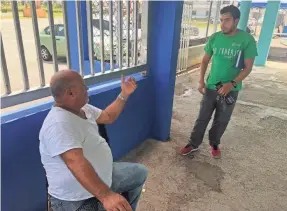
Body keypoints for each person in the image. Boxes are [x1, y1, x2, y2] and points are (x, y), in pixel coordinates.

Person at [39, 70, 148, 211]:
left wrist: (124, 94)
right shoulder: (59, 124)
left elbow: (108, 116)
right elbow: (75, 162)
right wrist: (107, 196)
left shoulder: (82, 108)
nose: (87, 89)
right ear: (71, 93)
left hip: (103, 177)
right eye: (84, 87)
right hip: (77, 199)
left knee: (139, 173)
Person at [180, 5, 258, 158]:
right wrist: (201, 81)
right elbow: (204, 61)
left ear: (236, 20)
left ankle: (214, 143)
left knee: (221, 120)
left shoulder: (247, 40)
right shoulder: (215, 38)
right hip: (211, 86)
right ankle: (193, 143)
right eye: (221, 20)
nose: (223, 24)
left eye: (227, 20)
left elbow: (247, 68)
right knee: (202, 117)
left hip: (231, 90)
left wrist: (232, 84)